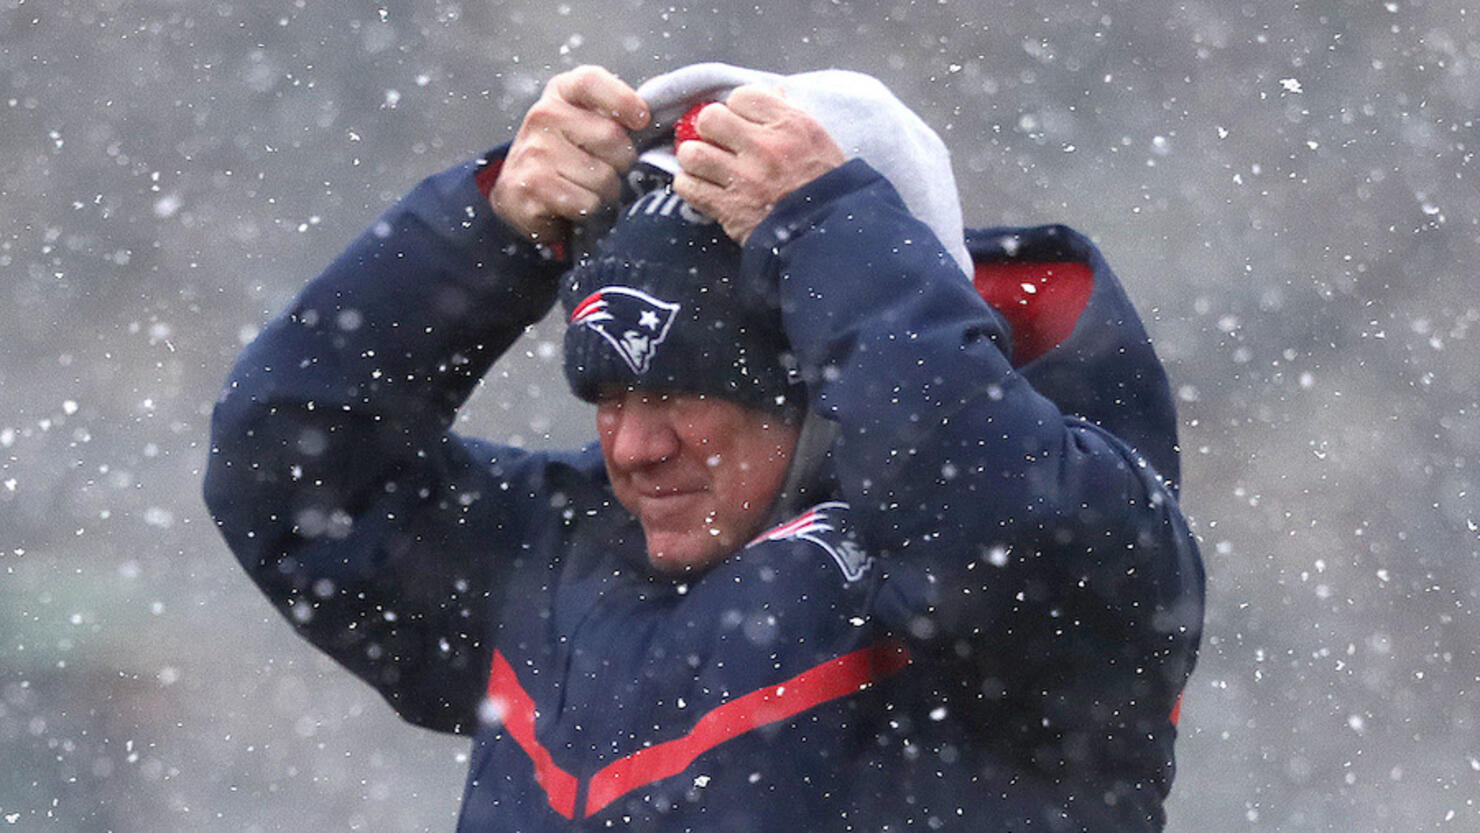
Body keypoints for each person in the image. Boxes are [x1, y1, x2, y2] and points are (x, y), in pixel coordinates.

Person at [204, 62, 1204, 832]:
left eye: (685, 388)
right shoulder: (553, 561)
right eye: (603, 390)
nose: (633, 446)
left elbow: (997, 515)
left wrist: (830, 230)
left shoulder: (1056, 555)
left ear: (824, 383)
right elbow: (290, 466)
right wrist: (485, 225)